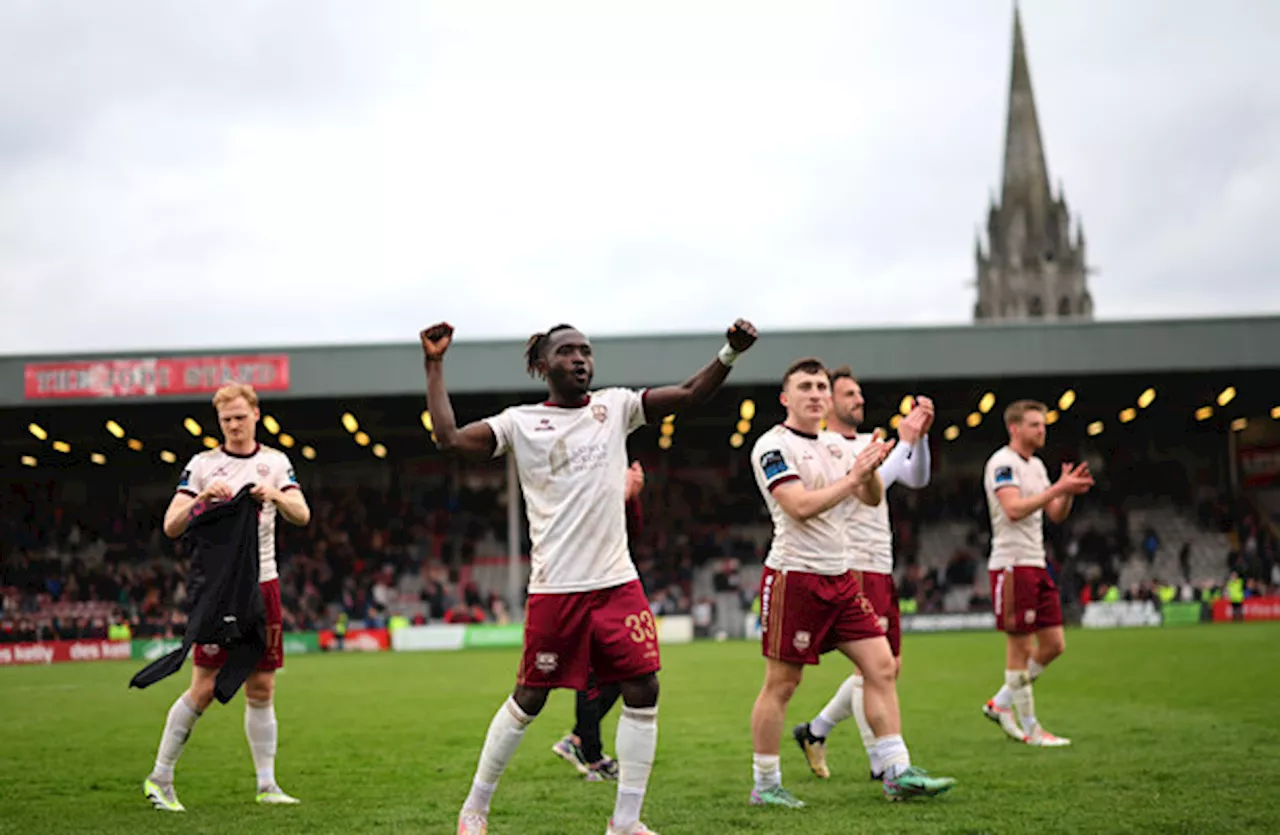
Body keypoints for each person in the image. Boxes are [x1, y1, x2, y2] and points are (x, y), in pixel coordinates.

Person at [422, 318, 758, 835]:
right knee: (530, 697)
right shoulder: (520, 422)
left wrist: (730, 353)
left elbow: (689, 395)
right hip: (557, 588)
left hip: (617, 582)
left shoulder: (616, 406)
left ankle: (625, 821)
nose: (580, 359)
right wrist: (435, 362)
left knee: (644, 687)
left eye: (586, 351)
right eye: (567, 352)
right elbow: (447, 438)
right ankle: (475, 807)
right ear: (543, 365)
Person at [748, 358, 955, 808]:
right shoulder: (772, 445)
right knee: (782, 684)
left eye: (821, 386)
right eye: (805, 386)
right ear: (786, 398)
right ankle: (765, 785)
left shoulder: (839, 446)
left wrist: (876, 465)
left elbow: (873, 495)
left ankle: (896, 771)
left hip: (841, 577)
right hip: (794, 576)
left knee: (881, 666)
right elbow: (799, 506)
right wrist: (854, 477)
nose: (816, 393)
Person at [143, 382, 311, 812]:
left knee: (262, 686)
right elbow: (171, 526)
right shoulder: (203, 465)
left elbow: (302, 514)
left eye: (240, 416)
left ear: (256, 414)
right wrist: (202, 497)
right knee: (203, 686)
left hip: (265, 584)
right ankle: (160, 776)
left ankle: (267, 784)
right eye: (226, 420)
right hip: (221, 591)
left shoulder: (275, 463)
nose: (234, 425)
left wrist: (273, 494)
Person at [793, 368, 935, 780]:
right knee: (873, 668)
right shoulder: (829, 446)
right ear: (831, 403)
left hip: (880, 562)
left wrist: (919, 440)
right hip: (852, 562)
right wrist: (902, 443)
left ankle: (816, 730)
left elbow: (917, 477)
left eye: (859, 393)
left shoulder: (866, 444)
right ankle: (883, 764)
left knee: (887, 668)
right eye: (849, 394)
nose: (859, 400)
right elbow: (864, 488)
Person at [980, 399, 1094, 747]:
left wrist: (1067, 491)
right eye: (1034, 424)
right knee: (1020, 647)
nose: (1041, 430)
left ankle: (1000, 703)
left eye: (1043, 424)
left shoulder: (1038, 466)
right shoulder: (1003, 463)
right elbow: (1013, 509)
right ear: (1015, 428)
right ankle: (1031, 729)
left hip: (1036, 561)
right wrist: (1057, 489)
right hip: (1012, 564)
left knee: (1054, 644)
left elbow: (1056, 513)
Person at [552, 462, 646, 783]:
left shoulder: (607, 481)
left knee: (626, 672)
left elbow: (630, 534)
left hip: (608, 587)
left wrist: (630, 499)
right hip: (578, 590)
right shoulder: (579, 482)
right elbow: (584, 526)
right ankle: (591, 757)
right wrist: (623, 496)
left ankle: (579, 740)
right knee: (591, 677)